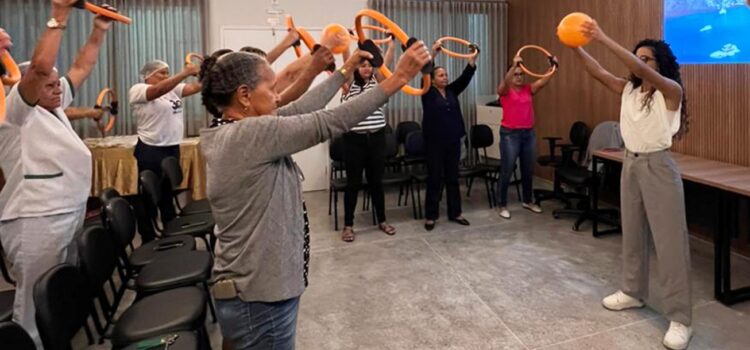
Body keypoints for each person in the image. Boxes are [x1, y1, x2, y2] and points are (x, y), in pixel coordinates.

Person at [200, 42, 430, 350]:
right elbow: (328, 122)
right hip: (260, 297)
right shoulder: (249, 135)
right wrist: (398, 78)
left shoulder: (235, 128)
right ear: (244, 95)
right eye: (270, 87)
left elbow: (302, 108)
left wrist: (344, 71)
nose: (277, 94)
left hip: (251, 293)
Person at [0, 1, 116, 347]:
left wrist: (99, 29)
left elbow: (82, 65)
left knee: (59, 291)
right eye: (48, 84)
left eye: (57, 84)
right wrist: (60, 15)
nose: (57, 88)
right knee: (35, 301)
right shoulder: (16, 111)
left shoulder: (55, 105)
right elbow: (37, 69)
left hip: (64, 211)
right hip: (36, 217)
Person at [575, 20, 692, 350]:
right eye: (638, 57)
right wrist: (577, 47)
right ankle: (632, 292)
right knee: (633, 232)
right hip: (630, 162)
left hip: (658, 166)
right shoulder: (629, 89)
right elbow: (598, 72)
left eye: (646, 58)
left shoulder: (671, 91)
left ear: (659, 64)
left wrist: (601, 35)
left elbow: (636, 67)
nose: (640, 62)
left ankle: (681, 318)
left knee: (669, 244)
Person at [129, 56, 201, 241]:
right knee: (149, 196)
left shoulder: (172, 89)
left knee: (167, 193)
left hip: (171, 147)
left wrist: (205, 73)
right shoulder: (139, 89)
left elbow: (195, 87)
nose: (166, 76)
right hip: (151, 148)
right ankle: (148, 237)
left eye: (168, 72)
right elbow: (156, 91)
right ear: (148, 75)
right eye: (162, 72)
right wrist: (184, 73)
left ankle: (170, 232)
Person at [339, 37, 396, 242]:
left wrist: (390, 46)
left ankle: (382, 220)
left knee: (376, 182)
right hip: (354, 141)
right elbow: (347, 63)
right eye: (362, 65)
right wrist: (346, 43)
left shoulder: (378, 84)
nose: (366, 69)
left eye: (368, 66)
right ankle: (348, 226)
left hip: (377, 139)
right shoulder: (348, 85)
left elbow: (384, 65)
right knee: (352, 184)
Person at [421, 42, 477, 231]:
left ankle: (456, 213)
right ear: (433, 78)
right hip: (435, 143)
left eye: (446, 75)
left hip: (453, 141)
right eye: (441, 75)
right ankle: (431, 216)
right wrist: (434, 54)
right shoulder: (427, 92)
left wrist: (472, 58)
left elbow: (465, 77)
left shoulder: (452, 91)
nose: (445, 77)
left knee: (453, 178)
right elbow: (425, 73)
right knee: (435, 178)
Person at [495, 54, 557, 219]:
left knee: (528, 169)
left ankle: (528, 201)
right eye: (515, 74)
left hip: (528, 133)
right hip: (510, 135)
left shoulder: (528, 89)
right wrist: (513, 65)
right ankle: (502, 204)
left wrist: (553, 67)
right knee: (507, 169)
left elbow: (544, 80)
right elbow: (502, 86)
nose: (519, 77)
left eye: (521, 74)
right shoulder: (505, 91)